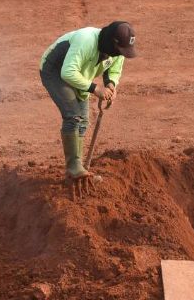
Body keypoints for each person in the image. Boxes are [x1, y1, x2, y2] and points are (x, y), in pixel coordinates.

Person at [39, 21, 137, 197]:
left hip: (81, 74)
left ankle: (78, 168)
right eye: (119, 50)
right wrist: (95, 89)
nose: (120, 54)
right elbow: (68, 72)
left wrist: (110, 85)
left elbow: (114, 69)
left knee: (84, 120)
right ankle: (73, 165)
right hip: (55, 71)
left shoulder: (117, 49)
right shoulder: (86, 40)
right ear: (111, 42)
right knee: (73, 115)